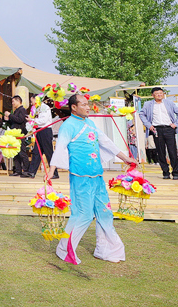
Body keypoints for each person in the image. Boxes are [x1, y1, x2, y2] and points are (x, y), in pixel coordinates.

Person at [47, 93, 137, 264]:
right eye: (84, 104)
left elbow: (106, 142)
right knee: (83, 215)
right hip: (80, 176)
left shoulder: (90, 123)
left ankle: (107, 251)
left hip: (97, 175)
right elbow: (59, 148)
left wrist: (125, 158)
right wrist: (52, 169)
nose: (88, 107)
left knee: (105, 213)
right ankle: (64, 249)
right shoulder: (68, 126)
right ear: (74, 107)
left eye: (88, 104)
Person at [137, 87, 178, 180]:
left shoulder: (169, 103)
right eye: (157, 93)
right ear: (153, 95)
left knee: (172, 151)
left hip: (169, 128)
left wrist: (176, 124)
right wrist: (148, 125)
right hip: (156, 129)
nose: (159, 95)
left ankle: (175, 173)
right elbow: (141, 114)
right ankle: (165, 172)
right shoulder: (148, 104)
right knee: (160, 152)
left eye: (161, 93)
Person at [27, 96, 57, 179]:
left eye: (31, 100)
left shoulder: (45, 107)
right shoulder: (37, 109)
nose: (31, 103)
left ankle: (54, 172)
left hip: (45, 131)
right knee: (36, 151)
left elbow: (43, 121)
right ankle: (32, 172)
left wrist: (32, 120)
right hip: (39, 131)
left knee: (48, 152)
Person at [4, 95, 29, 176]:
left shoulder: (22, 110)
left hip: (20, 134)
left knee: (22, 152)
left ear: (18, 101)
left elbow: (20, 120)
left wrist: (10, 115)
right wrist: (8, 119)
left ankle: (25, 170)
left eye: (13, 101)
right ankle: (18, 170)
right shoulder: (16, 110)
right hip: (14, 134)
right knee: (16, 153)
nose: (12, 103)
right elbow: (14, 122)